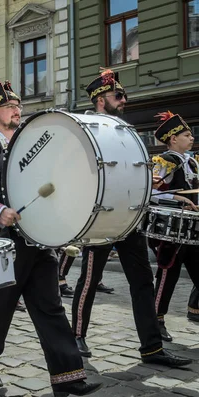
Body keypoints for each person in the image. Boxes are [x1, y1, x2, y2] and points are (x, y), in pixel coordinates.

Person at [0, 75, 101, 396]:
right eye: (10, 107)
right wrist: (0, 212)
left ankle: (68, 375)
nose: (17, 111)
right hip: (3, 236)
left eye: (18, 105)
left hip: (37, 237)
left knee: (49, 304)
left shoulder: (30, 141)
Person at [70, 69, 191, 368]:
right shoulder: (85, 129)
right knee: (89, 280)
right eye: (118, 96)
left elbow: (139, 175)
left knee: (142, 282)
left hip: (130, 217)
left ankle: (152, 348)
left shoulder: (126, 132)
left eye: (124, 96)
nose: (124, 101)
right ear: (100, 100)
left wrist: (160, 191)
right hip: (100, 218)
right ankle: (75, 336)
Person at [149, 111, 199, 341]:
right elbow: (151, 193)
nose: (191, 138)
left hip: (193, 229)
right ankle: (156, 320)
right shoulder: (165, 161)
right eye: (187, 135)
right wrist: (178, 199)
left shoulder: (191, 161)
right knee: (168, 275)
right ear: (173, 139)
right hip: (172, 230)